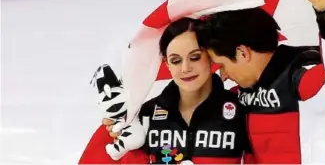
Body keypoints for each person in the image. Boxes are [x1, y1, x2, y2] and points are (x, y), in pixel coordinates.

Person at [194, 0, 325, 164]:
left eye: (222, 65)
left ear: (242, 53)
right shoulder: (237, 96)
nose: (225, 75)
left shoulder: (298, 76)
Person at [80, 18, 252, 164]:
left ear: (210, 56)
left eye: (195, 57)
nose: (185, 68)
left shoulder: (241, 109)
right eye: (176, 60)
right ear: (166, 63)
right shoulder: (145, 115)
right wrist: (114, 131)